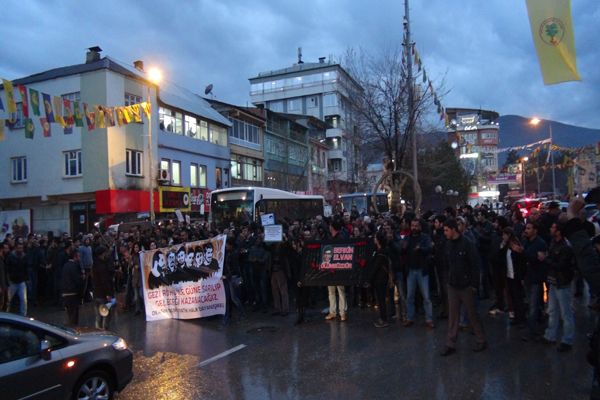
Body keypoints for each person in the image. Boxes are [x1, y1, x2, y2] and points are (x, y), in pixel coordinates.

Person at [440, 218, 487, 356]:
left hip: (466, 286)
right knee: (453, 316)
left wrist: (474, 285)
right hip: (453, 285)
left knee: (472, 314)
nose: (445, 233)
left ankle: (481, 339)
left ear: (454, 230)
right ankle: (450, 343)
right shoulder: (448, 244)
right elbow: (447, 263)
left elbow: (475, 265)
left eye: (446, 230)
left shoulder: (467, 244)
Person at [540, 222, 576, 352]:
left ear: (559, 231)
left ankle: (567, 340)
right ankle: (551, 335)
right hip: (555, 281)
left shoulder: (565, 247)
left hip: (562, 282)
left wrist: (545, 259)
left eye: (553, 227)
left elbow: (562, 265)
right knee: (553, 309)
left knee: (565, 312)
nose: (550, 229)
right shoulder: (554, 243)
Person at [403, 219, 434, 328]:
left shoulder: (425, 237)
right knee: (410, 296)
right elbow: (403, 250)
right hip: (411, 270)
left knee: (426, 296)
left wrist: (421, 249)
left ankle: (429, 319)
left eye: (416, 226)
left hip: (422, 270)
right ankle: (409, 318)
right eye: (413, 225)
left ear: (420, 227)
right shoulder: (408, 238)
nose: (414, 228)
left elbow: (430, 249)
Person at [325, 220, 348, 322]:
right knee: (332, 291)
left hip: (338, 268)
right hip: (331, 267)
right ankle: (334, 311)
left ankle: (342, 312)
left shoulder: (340, 238)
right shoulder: (333, 238)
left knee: (340, 290)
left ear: (332, 227)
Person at [371, 230, 394, 328]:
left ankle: (383, 319)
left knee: (381, 300)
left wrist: (369, 278)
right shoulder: (383, 250)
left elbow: (375, 267)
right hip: (382, 278)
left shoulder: (380, 253)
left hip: (380, 278)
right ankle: (383, 318)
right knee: (381, 299)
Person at [93, 245, 116, 329]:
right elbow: (105, 281)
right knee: (106, 315)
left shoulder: (94, 265)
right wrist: (109, 294)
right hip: (103, 295)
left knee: (98, 317)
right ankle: (104, 331)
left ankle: (98, 331)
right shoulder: (102, 266)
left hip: (96, 294)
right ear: (102, 254)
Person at [61, 244, 84, 326]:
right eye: (78, 256)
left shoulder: (65, 265)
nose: (79, 258)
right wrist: (81, 294)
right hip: (73, 293)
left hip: (65, 292)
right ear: (75, 256)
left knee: (69, 314)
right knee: (74, 317)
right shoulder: (75, 266)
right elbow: (78, 281)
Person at [6, 241, 28, 316]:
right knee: (8, 300)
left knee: (23, 300)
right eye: (19, 248)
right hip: (13, 281)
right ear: (16, 248)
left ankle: (23, 315)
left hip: (20, 281)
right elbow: (7, 269)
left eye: (21, 248)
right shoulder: (11, 257)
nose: (20, 249)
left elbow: (26, 268)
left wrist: (25, 277)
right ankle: (6, 313)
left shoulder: (24, 256)